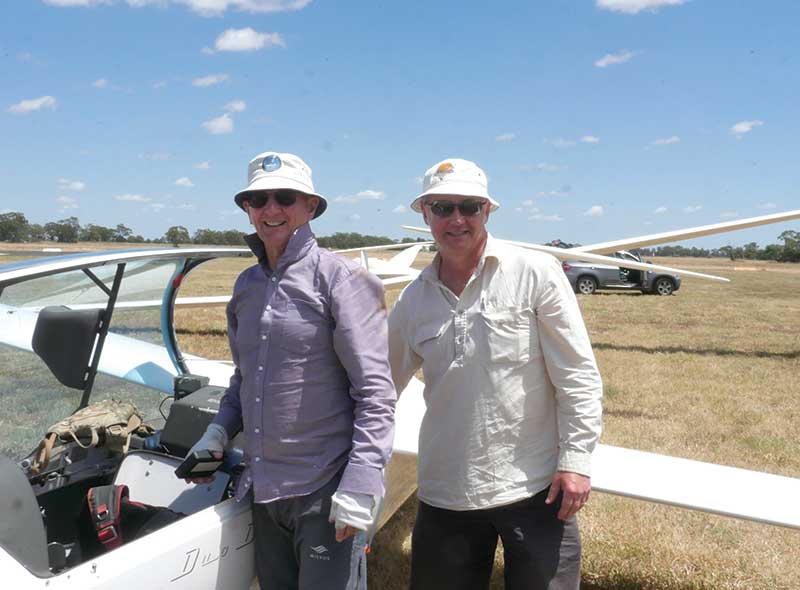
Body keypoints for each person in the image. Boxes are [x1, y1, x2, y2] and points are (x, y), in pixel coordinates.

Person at [388, 158, 603, 590]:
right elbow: (377, 388)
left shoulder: (535, 272)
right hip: (445, 490)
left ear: (488, 210)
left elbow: (577, 375)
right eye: (442, 208)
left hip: (536, 488)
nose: (457, 219)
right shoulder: (412, 301)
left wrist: (576, 462)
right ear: (424, 214)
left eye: (469, 206)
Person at [188, 151, 396, 590]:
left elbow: (375, 393)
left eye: (285, 197)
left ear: (310, 207)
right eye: (258, 200)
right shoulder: (246, 286)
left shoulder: (341, 279)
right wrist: (219, 433)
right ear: (247, 210)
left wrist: (361, 482)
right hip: (263, 490)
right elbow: (244, 380)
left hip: (324, 489)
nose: (271, 209)